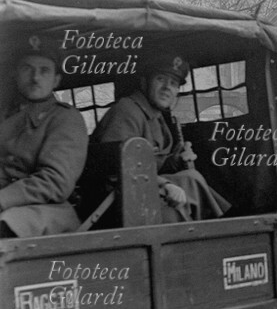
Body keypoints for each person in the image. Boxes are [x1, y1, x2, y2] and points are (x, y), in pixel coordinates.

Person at [91, 54, 230, 223]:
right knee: (190, 180)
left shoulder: (155, 115)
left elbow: (152, 162)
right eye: (160, 79)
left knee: (191, 177)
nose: (167, 88)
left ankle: (222, 222)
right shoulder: (126, 111)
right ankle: (224, 223)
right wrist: (164, 185)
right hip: (119, 204)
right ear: (144, 82)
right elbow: (115, 170)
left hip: (142, 195)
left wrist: (175, 160)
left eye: (173, 83)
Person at [0, 38, 88, 237]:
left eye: (44, 70)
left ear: (56, 80)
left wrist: (2, 199)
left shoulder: (65, 118)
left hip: (45, 211)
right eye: (27, 69)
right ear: (15, 74)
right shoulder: (6, 114)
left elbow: (56, 181)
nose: (35, 78)